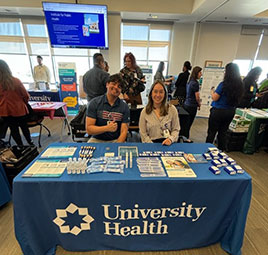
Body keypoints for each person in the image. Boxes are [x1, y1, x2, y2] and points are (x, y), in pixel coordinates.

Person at [206, 63, 244, 151]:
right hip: (230, 111)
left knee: (212, 131)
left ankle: (207, 149)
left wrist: (212, 91)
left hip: (218, 111)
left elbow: (215, 98)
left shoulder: (223, 84)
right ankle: (222, 150)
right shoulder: (240, 85)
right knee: (223, 132)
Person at [86, 74, 130, 143]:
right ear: (107, 84)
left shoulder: (124, 107)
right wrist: (107, 128)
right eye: (113, 84)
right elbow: (89, 129)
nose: (116, 87)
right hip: (96, 139)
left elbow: (124, 131)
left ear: (121, 90)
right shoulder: (94, 103)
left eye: (119, 86)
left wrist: (116, 146)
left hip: (116, 140)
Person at [0, 59, 33, 148]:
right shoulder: (16, 81)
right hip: (19, 109)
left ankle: (20, 145)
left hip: (4, 111)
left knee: (13, 129)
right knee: (24, 127)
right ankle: (30, 142)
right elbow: (26, 96)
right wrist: (24, 103)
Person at [139, 80, 179, 145]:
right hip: (150, 145)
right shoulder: (144, 112)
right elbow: (143, 133)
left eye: (161, 92)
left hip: (168, 144)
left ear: (165, 94)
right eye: (155, 92)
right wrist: (152, 145)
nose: (158, 95)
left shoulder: (172, 109)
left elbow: (176, 130)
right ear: (151, 93)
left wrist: (170, 139)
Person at [179, 66, 202, 142]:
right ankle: (186, 138)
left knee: (185, 122)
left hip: (186, 104)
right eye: (200, 72)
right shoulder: (195, 83)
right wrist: (199, 104)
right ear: (196, 73)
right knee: (189, 123)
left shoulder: (189, 81)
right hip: (192, 106)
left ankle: (183, 137)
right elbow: (197, 97)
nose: (201, 74)